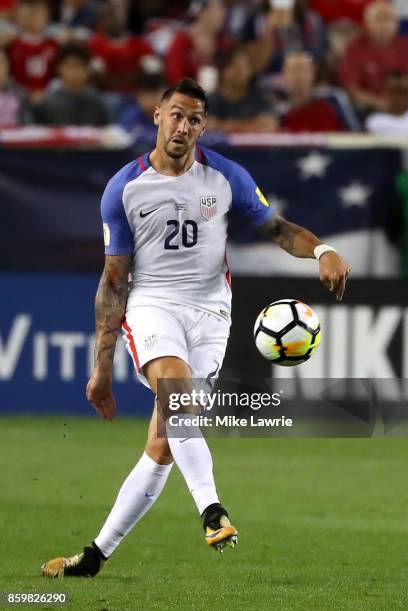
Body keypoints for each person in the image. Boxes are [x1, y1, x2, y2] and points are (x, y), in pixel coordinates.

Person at [41, 78, 350, 578]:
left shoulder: (224, 177)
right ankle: (212, 510)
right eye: (177, 114)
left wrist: (321, 249)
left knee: (164, 442)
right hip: (152, 304)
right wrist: (101, 366)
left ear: (203, 126)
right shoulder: (125, 189)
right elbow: (114, 281)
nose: (184, 126)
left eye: (195, 119)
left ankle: (96, 556)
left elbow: (278, 229)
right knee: (177, 397)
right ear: (158, 116)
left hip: (212, 315)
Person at [339, 1, 408, 115]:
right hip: (370, 108)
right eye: (379, 20)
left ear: (397, 23)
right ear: (367, 23)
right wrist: (379, 103)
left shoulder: (405, 46)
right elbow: (351, 89)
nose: (384, 26)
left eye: (389, 20)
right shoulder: (354, 49)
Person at [278, 51, 359, 132]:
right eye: (294, 70)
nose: (300, 76)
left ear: (313, 73)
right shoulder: (279, 110)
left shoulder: (333, 100)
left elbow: (355, 134)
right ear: (284, 75)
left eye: (304, 69)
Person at [32, 43, 110, 126]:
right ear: (59, 68)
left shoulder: (97, 103)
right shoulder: (46, 104)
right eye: (70, 67)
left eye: (80, 66)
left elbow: (105, 132)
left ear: (88, 70)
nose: (75, 73)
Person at [207, 48, 277, 133]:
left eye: (244, 66)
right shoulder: (210, 101)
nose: (239, 70)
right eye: (234, 65)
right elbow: (209, 127)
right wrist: (252, 125)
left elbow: (269, 125)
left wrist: (226, 125)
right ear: (222, 71)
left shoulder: (260, 99)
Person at [6, 0, 59, 98]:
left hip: (48, 97)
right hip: (18, 96)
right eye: (34, 14)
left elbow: (58, 74)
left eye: (42, 15)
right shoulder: (13, 44)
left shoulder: (54, 44)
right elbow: (8, 74)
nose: (38, 19)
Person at [366, 70, 408, 134]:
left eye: (403, 91)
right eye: (395, 91)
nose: (399, 95)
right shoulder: (374, 121)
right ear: (386, 92)